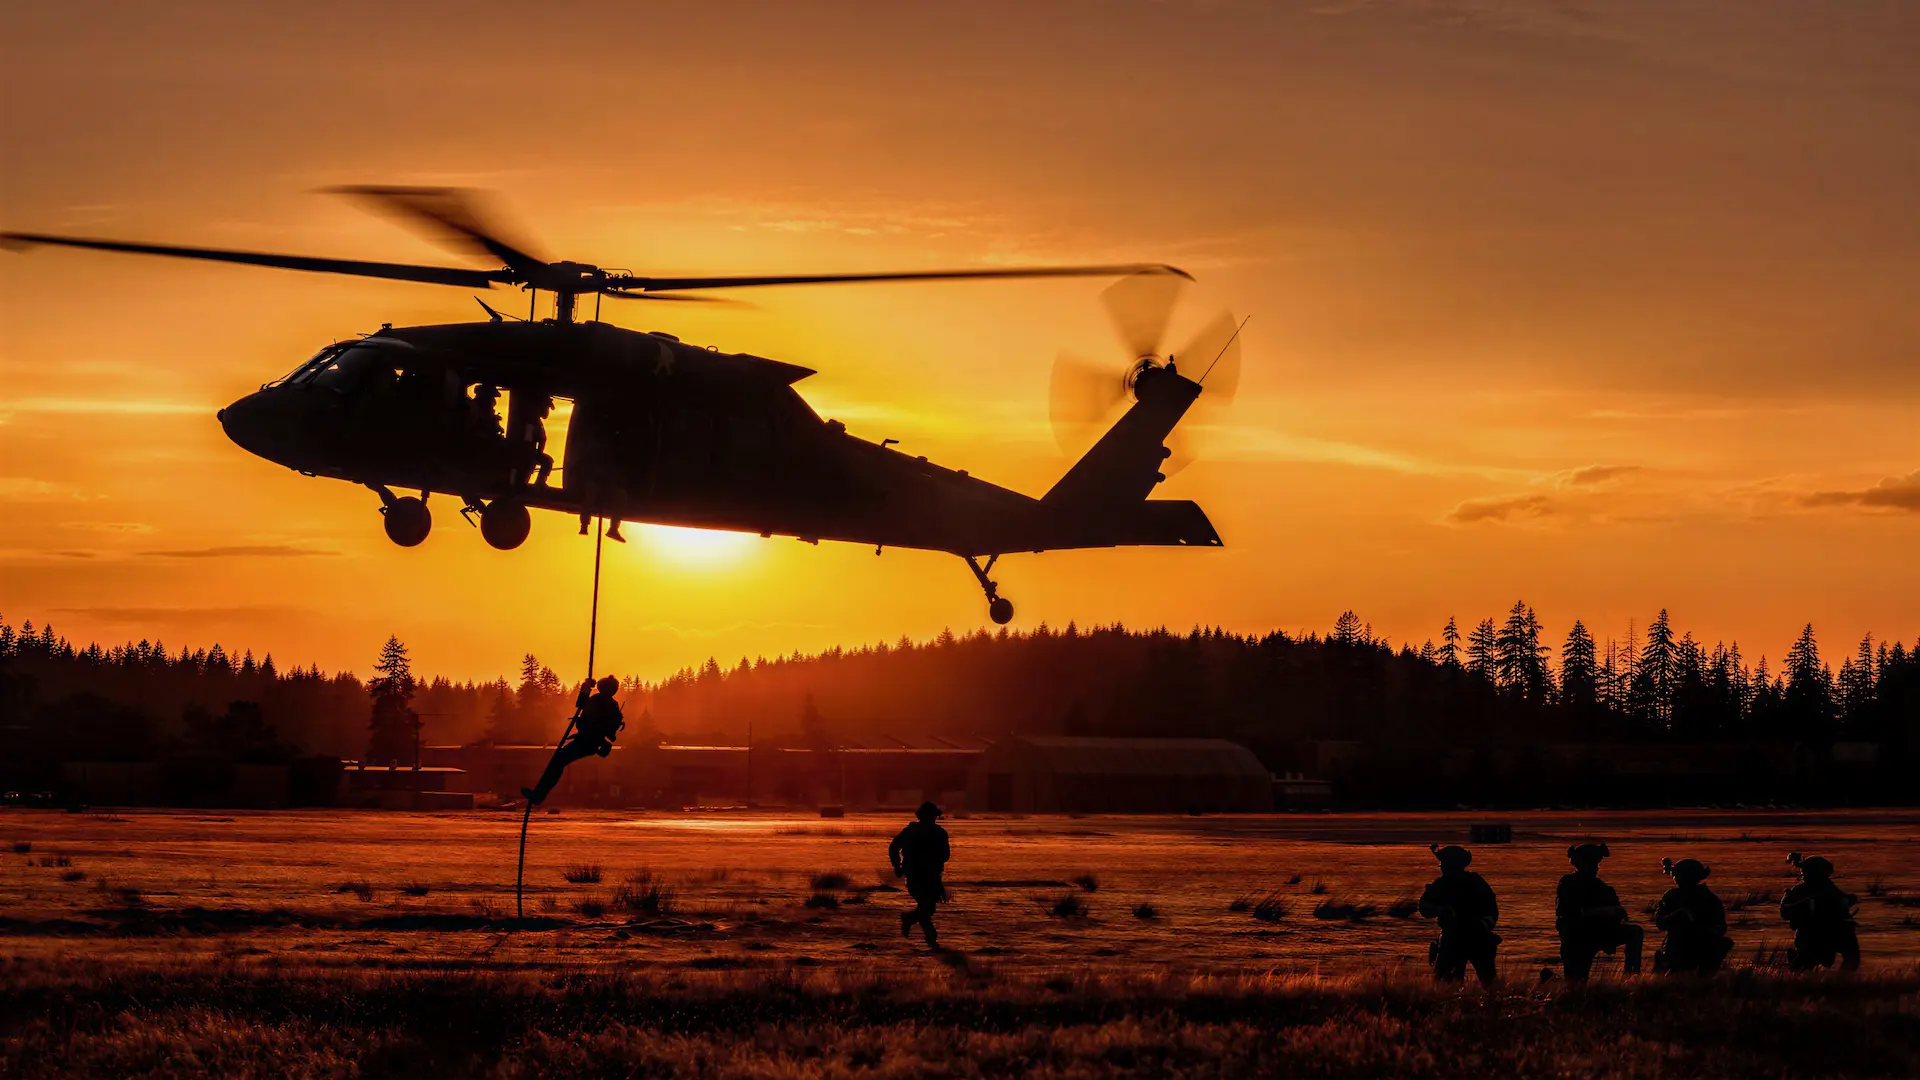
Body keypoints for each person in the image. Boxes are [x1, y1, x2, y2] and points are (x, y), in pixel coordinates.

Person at [520, 676, 624, 806]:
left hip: (588, 741)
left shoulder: (602, 702)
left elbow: (581, 704)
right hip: (588, 741)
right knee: (558, 761)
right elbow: (583, 705)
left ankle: (539, 795)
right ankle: (539, 794)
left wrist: (586, 688)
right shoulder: (607, 703)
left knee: (558, 761)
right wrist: (585, 688)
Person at [1555, 842, 1643, 980]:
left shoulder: (1602, 888)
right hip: (1577, 937)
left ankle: (1631, 977)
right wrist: (1606, 911)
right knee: (1575, 982)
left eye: (1596, 863)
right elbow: (1573, 912)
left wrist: (1616, 914)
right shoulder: (1568, 883)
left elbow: (1614, 912)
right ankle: (1550, 980)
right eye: (1591, 863)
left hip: (1599, 934)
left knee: (1634, 932)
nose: (1596, 868)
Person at [1418, 843, 1500, 984]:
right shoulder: (1441, 885)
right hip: (1452, 939)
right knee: (1446, 985)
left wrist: (1481, 925)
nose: (1443, 868)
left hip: (1477, 938)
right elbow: (1424, 907)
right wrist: (1440, 910)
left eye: (1446, 865)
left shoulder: (1475, 883)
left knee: (1489, 983)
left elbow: (1491, 909)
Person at [1781, 852, 1860, 972]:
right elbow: (1785, 911)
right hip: (1811, 934)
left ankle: (1842, 981)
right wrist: (1802, 905)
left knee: (1851, 955)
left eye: (1805, 871)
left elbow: (1843, 899)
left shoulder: (1828, 887)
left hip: (1833, 930)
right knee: (1805, 963)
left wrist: (1848, 899)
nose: (1802, 874)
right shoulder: (1802, 890)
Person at [1653, 857, 1733, 975]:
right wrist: (1675, 917)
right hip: (1677, 945)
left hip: (1702, 944)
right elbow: (1660, 922)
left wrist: (1707, 930)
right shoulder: (1671, 897)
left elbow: (1720, 926)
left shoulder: (1707, 898)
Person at [889, 801, 951, 948]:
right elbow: (945, 855)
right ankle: (930, 937)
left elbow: (894, 847)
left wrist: (898, 865)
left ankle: (909, 919)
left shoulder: (913, 831)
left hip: (925, 875)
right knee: (927, 907)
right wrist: (898, 865)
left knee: (928, 907)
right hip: (922, 875)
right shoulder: (938, 832)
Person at [520, 394, 555, 487]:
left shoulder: (536, 422)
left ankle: (540, 482)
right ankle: (538, 483)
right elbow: (528, 439)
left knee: (547, 461)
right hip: (527, 452)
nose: (547, 412)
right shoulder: (531, 422)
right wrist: (533, 453)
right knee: (547, 462)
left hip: (532, 452)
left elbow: (541, 439)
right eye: (546, 408)